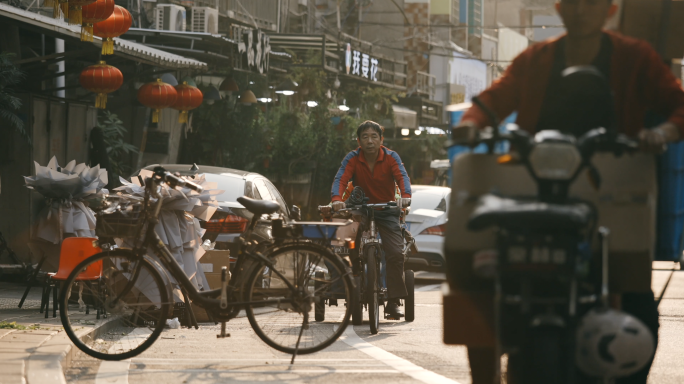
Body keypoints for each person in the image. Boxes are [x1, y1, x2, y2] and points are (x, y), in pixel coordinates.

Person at [452, 0, 684, 383]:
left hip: (610, 188)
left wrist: (660, 134)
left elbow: (678, 106)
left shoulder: (634, 57)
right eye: (572, 4)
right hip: (531, 187)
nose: (579, 12)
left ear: (608, 10)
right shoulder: (535, 58)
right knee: (479, 285)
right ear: (560, 9)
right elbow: (492, 101)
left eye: (589, 5)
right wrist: (471, 124)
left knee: (637, 301)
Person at [326, 120, 412, 317]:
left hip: (387, 211)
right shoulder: (352, 158)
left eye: (374, 136)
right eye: (365, 137)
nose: (370, 141)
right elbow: (341, 178)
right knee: (349, 239)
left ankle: (393, 301)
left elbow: (402, 177)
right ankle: (355, 266)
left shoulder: (392, 157)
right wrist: (337, 199)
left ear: (381, 140)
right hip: (360, 209)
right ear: (358, 141)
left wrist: (406, 197)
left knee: (396, 254)